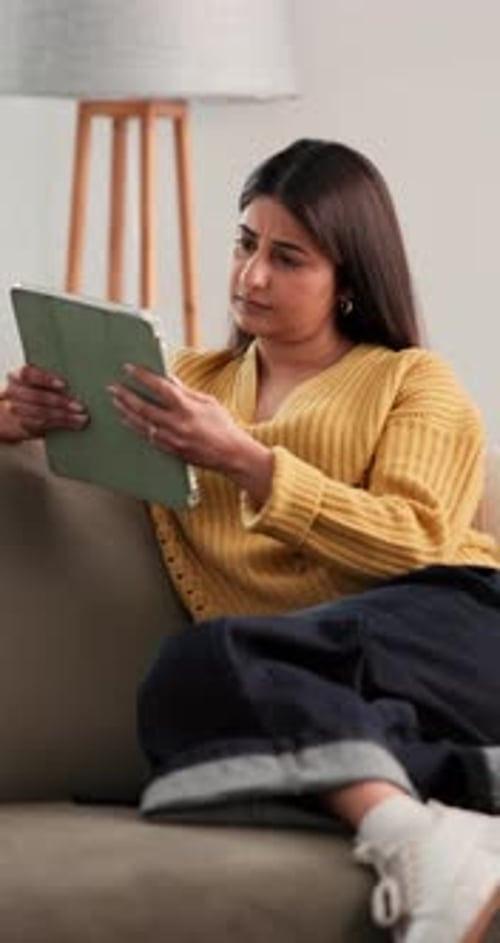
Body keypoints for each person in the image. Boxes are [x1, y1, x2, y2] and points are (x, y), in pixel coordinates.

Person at [2, 138, 500, 942]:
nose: (251, 276)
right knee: (182, 685)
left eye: (288, 257)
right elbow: (55, 428)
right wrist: (16, 415)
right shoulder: (179, 385)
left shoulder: (414, 381)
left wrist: (245, 459)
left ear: (348, 280)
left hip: (457, 627)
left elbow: (418, 542)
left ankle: (418, 840)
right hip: (318, 677)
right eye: (245, 243)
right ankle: (449, 804)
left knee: (225, 661)